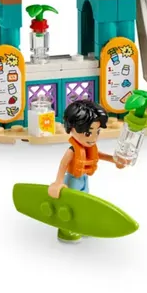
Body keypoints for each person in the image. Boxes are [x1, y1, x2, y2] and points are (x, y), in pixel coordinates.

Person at [48, 99, 123, 241]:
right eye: (88, 133)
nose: (93, 138)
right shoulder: (72, 151)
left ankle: (80, 225)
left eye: (97, 132)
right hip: (72, 180)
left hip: (84, 179)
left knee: (83, 203)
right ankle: (66, 230)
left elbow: (99, 155)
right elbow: (63, 165)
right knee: (70, 204)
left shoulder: (88, 148)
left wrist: (114, 160)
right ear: (72, 129)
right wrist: (58, 182)